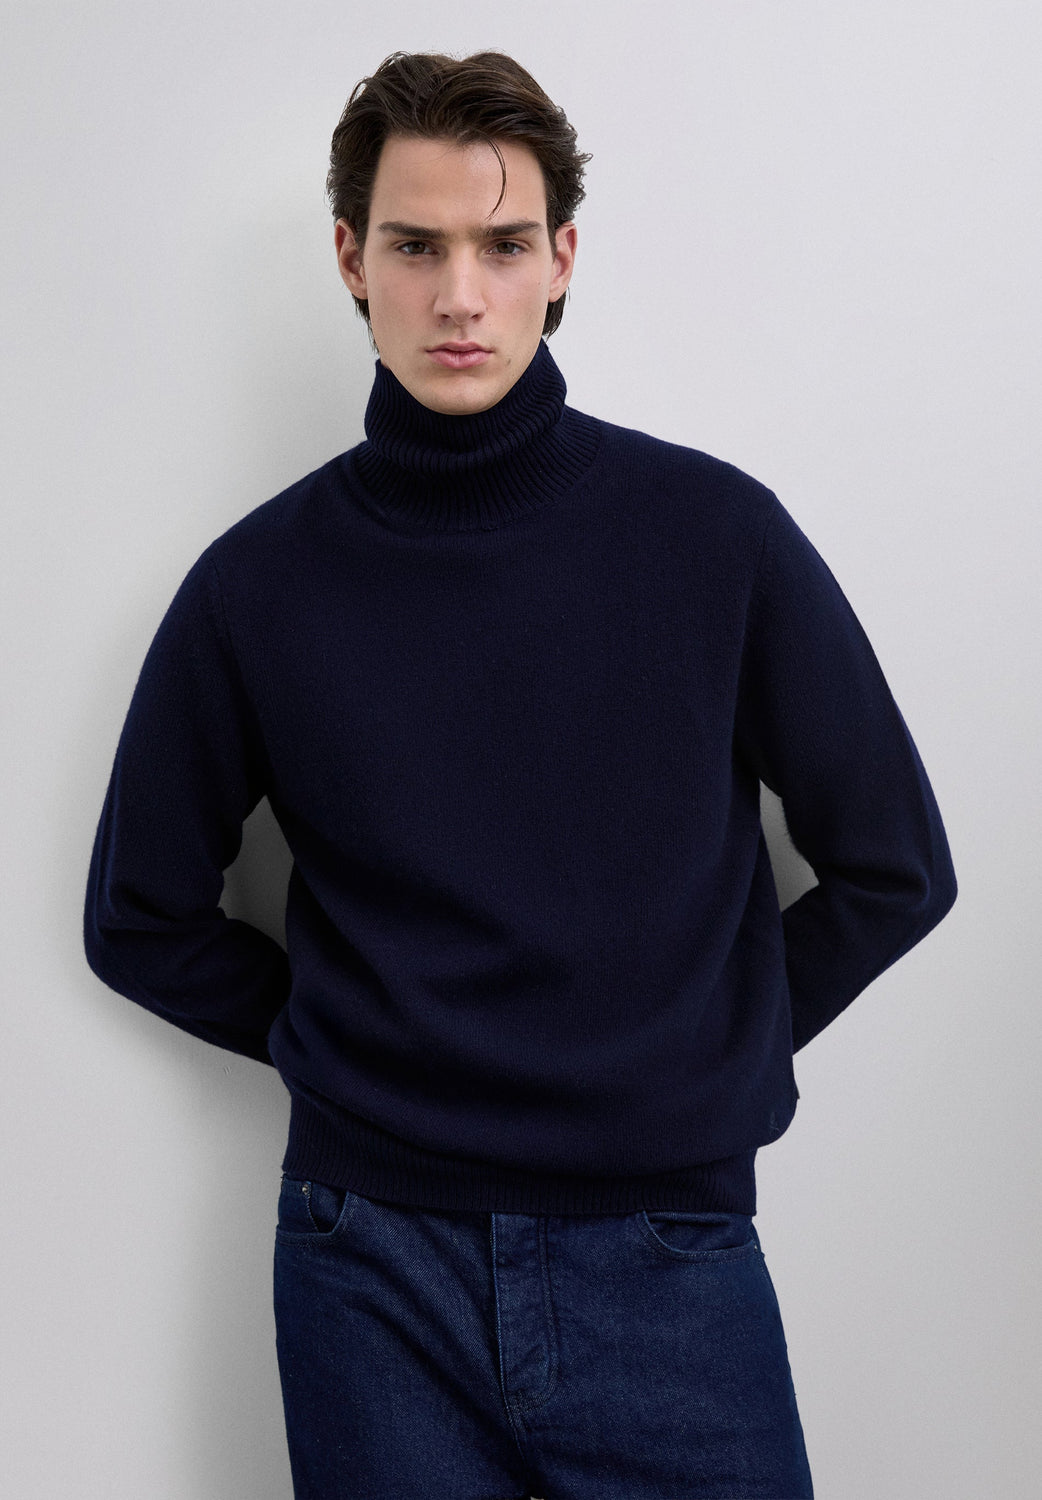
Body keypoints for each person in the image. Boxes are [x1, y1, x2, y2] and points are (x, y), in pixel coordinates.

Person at [83, 49, 957, 1500]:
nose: (460, 295)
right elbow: (139, 918)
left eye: (501, 246)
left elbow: (896, 868)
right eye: (415, 246)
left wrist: (707, 1048)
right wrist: (359, 1046)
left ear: (561, 261)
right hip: (370, 1264)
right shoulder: (259, 586)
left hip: (667, 1252)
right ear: (352, 260)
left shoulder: (714, 539)